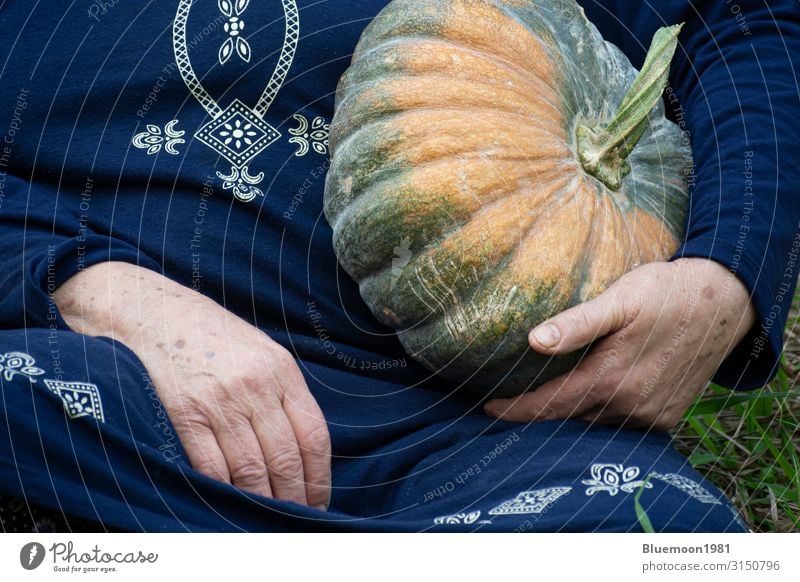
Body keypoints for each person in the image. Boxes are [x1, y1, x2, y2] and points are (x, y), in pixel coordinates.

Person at [0, 0, 797, 532]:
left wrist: (725, 272)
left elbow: (737, 18)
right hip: (95, 357)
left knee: (650, 533)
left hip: (465, 426)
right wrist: (91, 284)